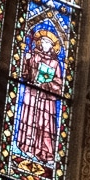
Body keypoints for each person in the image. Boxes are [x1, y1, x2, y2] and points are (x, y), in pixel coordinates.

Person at [16, 29, 64, 163]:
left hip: (46, 99)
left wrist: (45, 84)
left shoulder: (55, 64)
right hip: (32, 95)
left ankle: (43, 151)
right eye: (43, 42)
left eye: (48, 43)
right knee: (30, 120)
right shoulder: (34, 56)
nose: (45, 44)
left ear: (52, 46)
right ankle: (27, 147)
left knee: (45, 124)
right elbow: (25, 75)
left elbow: (58, 83)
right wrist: (26, 61)